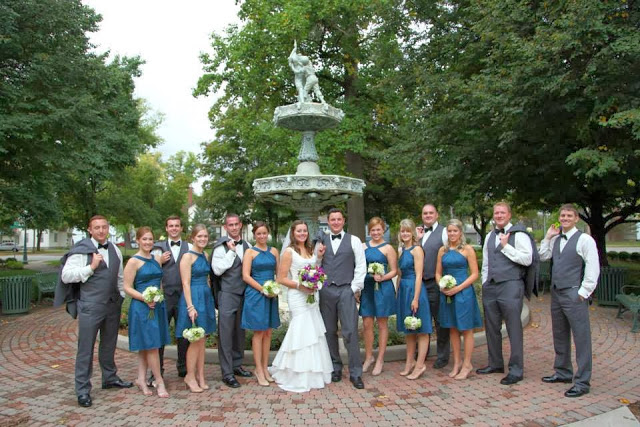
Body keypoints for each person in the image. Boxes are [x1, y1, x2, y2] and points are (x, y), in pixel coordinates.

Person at [59, 215, 132, 408]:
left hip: (112, 305)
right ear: (90, 230)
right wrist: (90, 267)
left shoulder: (115, 249)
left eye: (104, 227)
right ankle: (82, 390)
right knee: (86, 348)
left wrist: (121, 296)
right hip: (90, 306)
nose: (101, 230)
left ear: (108, 228)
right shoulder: (82, 251)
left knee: (109, 344)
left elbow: (119, 277)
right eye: (96, 227)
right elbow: (66, 276)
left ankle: (109, 378)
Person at [539, 204, 600, 398]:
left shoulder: (584, 239)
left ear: (576, 219)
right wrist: (548, 237)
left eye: (568, 215)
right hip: (556, 293)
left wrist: (584, 292)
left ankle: (582, 381)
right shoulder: (556, 239)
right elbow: (542, 256)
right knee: (559, 333)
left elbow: (593, 266)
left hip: (574, 293)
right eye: (562, 215)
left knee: (581, 337)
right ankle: (563, 372)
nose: (564, 218)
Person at [269, 220, 333, 392]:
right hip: (297, 296)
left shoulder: (311, 249)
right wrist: (300, 286)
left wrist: (318, 261)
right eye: (299, 231)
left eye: (305, 230)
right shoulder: (289, 252)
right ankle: (295, 373)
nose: (302, 233)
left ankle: (314, 372)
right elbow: (281, 278)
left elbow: (316, 268)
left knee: (313, 330)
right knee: (300, 330)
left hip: (312, 295)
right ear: (293, 233)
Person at [477, 202, 533, 385]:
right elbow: (486, 261)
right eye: (496, 213)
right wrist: (485, 281)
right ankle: (495, 363)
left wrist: (506, 247)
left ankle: (516, 370)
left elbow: (527, 259)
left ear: (509, 215)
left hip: (510, 285)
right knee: (492, 327)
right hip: (491, 286)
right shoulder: (489, 236)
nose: (499, 215)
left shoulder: (520, 235)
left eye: (502, 212)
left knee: (513, 328)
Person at [319, 208, 367, 389]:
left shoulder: (353, 240)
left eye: (339, 219)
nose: (336, 222)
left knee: (350, 332)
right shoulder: (321, 241)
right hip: (326, 291)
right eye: (333, 219)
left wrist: (353, 288)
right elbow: (315, 264)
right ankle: (335, 367)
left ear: (343, 221)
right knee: (329, 331)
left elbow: (361, 266)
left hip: (346, 290)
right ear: (328, 222)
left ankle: (356, 373)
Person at [124, 226, 170, 398]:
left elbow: (159, 282)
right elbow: (127, 287)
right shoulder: (133, 261)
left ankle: (141, 379)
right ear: (137, 240)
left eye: (151, 239)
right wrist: (145, 298)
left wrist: (158, 297)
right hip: (141, 307)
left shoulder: (156, 259)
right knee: (152, 346)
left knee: (147, 345)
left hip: (157, 306)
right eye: (144, 239)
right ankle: (159, 382)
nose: (148, 242)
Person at [435, 219, 482, 380]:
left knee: (466, 328)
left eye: (455, 231)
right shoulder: (443, 250)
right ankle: (457, 362)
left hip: (463, 293)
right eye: (449, 231)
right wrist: (442, 285)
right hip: (447, 293)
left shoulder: (467, 249)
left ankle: (467, 364)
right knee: (452, 328)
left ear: (460, 232)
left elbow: (475, 274)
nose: (452, 234)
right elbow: (437, 273)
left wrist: (458, 288)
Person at [211, 213, 252, 388]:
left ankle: (237, 365)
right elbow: (217, 270)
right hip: (227, 293)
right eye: (230, 225)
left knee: (239, 333)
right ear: (226, 227)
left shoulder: (248, 245)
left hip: (245, 294)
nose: (234, 227)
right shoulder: (220, 247)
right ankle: (227, 372)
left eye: (236, 224)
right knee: (226, 335)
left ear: (240, 225)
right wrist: (232, 253)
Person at [175, 224, 217, 393]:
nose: (202, 239)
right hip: (192, 297)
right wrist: (190, 306)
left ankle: (201, 375)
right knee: (195, 340)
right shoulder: (187, 257)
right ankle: (189, 376)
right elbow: (185, 282)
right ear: (192, 237)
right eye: (199, 236)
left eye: (205, 236)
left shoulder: (205, 254)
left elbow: (207, 278)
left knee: (203, 339)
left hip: (205, 296)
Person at [149, 215, 190, 386]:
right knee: (160, 334)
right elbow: (148, 269)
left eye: (177, 226)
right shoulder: (157, 248)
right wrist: (158, 261)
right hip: (164, 297)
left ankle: (183, 367)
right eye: (171, 226)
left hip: (182, 296)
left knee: (184, 334)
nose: (174, 228)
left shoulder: (189, 247)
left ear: (181, 228)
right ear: (166, 228)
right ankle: (157, 372)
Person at [241, 221, 281, 386]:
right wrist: (263, 289)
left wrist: (274, 288)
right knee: (259, 332)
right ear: (254, 235)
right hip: (256, 294)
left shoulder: (274, 251)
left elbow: (278, 273)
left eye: (264, 233)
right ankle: (258, 369)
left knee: (268, 332)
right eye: (259, 234)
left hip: (271, 294)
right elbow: (245, 276)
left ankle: (265, 368)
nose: (262, 236)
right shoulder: (250, 252)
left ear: (268, 234)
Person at [360, 217, 398, 376]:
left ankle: (381, 358)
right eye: (373, 230)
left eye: (378, 230)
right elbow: (359, 268)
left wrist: (383, 277)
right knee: (367, 323)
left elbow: (394, 270)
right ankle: (369, 357)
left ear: (383, 230)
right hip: (367, 287)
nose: (376, 232)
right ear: (369, 231)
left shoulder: (388, 248)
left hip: (383, 288)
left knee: (382, 323)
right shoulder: (363, 246)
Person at [396, 219, 432, 380]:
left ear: (412, 233)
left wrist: (416, 298)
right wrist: (397, 292)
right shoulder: (402, 250)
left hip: (415, 289)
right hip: (404, 289)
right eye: (402, 231)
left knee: (421, 330)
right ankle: (409, 362)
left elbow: (419, 275)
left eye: (407, 231)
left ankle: (420, 365)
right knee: (409, 329)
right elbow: (399, 274)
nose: (405, 234)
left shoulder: (417, 250)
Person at [416, 204, 450, 369]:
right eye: (425, 213)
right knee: (421, 318)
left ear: (437, 215)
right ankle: (422, 352)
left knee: (439, 319)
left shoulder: (444, 232)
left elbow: (449, 254)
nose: (428, 215)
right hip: (419, 283)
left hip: (435, 283)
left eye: (431, 213)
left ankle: (443, 355)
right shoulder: (417, 232)